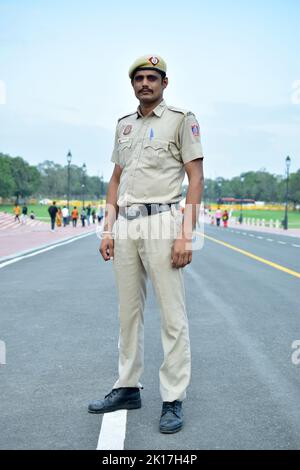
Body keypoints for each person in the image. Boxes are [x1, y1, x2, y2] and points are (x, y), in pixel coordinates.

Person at [88, 55, 204, 434]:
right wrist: (107, 229)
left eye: (152, 78)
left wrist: (185, 233)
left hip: (163, 222)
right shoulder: (124, 126)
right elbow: (115, 179)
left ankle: (172, 398)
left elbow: (196, 178)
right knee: (128, 313)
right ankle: (127, 387)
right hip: (126, 225)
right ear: (133, 84)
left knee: (172, 316)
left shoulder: (181, 120)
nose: (145, 83)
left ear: (164, 83)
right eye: (139, 78)